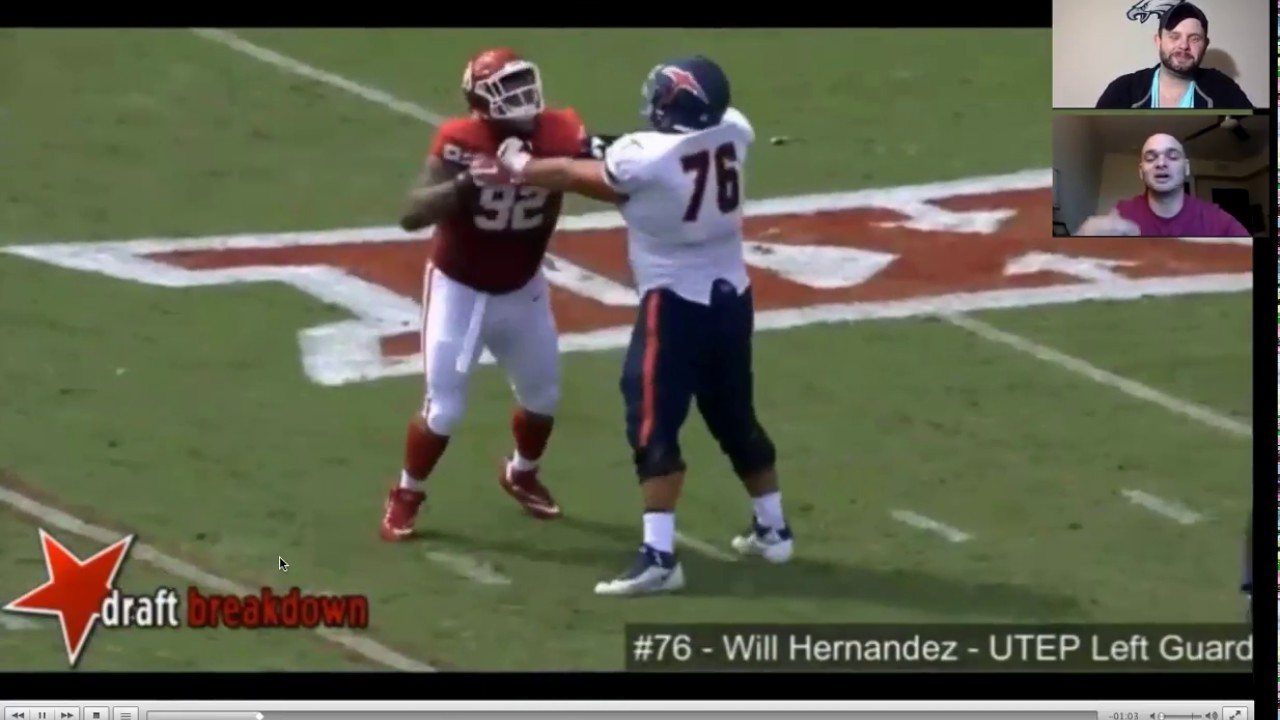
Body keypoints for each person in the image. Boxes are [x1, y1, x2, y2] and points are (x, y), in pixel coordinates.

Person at [484, 56, 792, 596]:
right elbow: (640, 152)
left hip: (675, 304)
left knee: (650, 421)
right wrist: (593, 144)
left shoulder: (644, 160)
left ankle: (659, 557)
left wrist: (519, 164)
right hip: (732, 296)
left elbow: (575, 176)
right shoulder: (734, 130)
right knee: (733, 413)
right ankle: (774, 527)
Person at [380, 48, 615, 541]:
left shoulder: (561, 131)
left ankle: (521, 473)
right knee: (444, 409)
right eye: (506, 89)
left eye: (523, 82)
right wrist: (466, 184)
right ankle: (406, 492)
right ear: (480, 101)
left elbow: (608, 164)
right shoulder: (459, 141)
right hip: (459, 287)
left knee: (543, 396)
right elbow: (412, 213)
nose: (521, 96)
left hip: (522, 286)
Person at [1075, 133, 1250, 237]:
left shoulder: (1217, 220)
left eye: (1172, 156)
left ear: (1186, 168)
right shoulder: (1122, 214)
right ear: (1141, 171)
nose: (1161, 163)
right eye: (1151, 158)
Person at [1096, 3, 1252, 109]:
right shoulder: (1122, 90)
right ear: (1158, 41)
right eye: (1174, 36)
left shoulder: (1223, 89)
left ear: (1205, 45)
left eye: (1194, 39)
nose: (1183, 45)